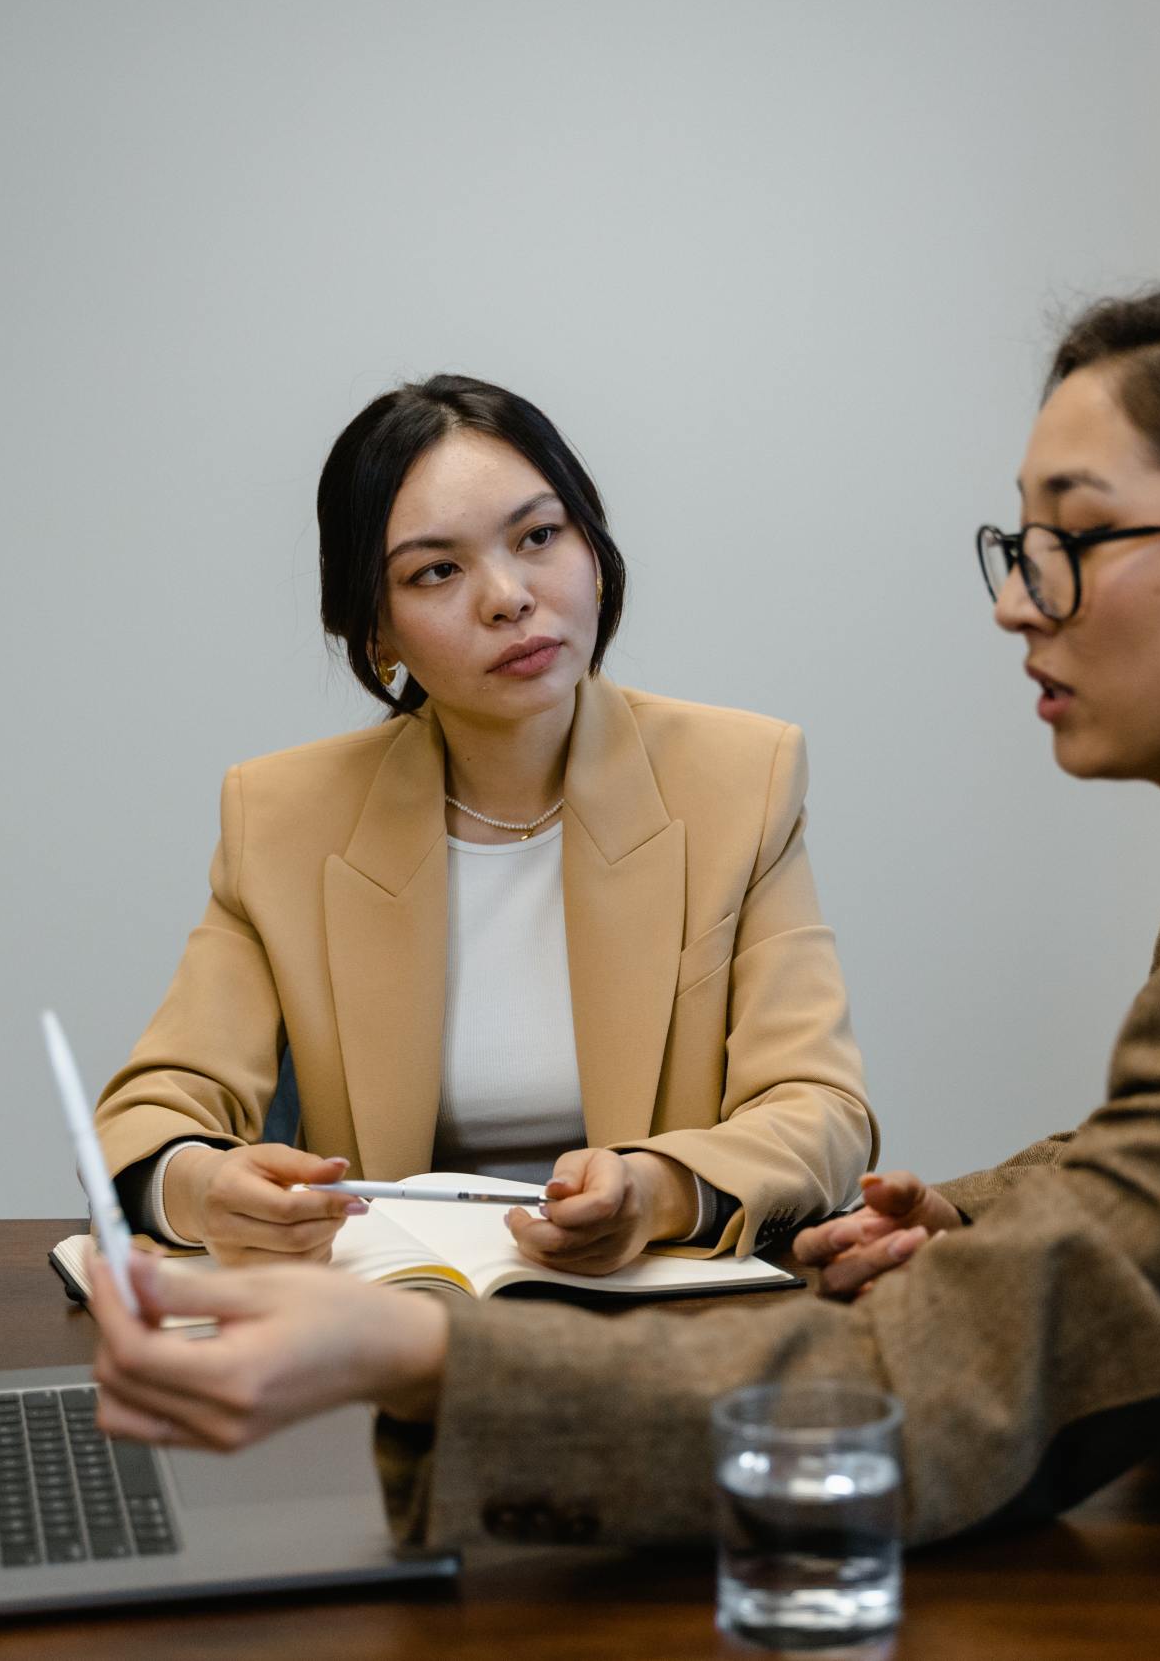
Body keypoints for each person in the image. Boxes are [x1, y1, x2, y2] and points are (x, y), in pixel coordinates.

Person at [85, 287, 1160, 1657]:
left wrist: (407, 1354)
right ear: (373, 628)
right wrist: (982, 1221)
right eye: (1019, 543)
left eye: (1074, 540)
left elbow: (937, 1388)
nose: (1021, 602)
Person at [94, 374, 874, 1277]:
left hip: (654, 1324)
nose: (508, 595)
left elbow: (820, 1109)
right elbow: (152, 1109)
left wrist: (659, 1189)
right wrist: (199, 1186)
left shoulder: (742, 778)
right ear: (376, 630)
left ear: (593, 546)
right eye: (437, 570)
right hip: (394, 1336)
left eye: (539, 536)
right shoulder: (282, 818)